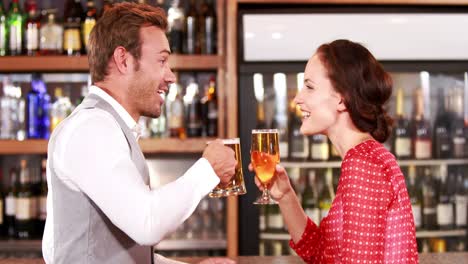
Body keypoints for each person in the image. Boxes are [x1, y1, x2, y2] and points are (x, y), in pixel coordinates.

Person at [42, 3, 236, 264]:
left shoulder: (107, 126)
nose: (171, 76)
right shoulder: (91, 129)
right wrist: (209, 169)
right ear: (124, 60)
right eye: (162, 61)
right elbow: (147, 223)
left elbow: (124, 253)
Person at [251, 39, 418, 263]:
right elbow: (320, 252)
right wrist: (285, 196)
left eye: (309, 87)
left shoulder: (363, 165)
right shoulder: (362, 158)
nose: (298, 98)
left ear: (341, 99)